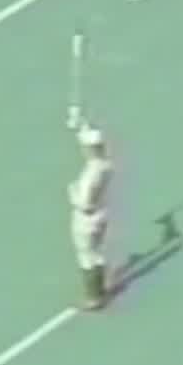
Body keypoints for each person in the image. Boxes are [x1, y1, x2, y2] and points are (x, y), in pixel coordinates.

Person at [65, 115, 114, 310]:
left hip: (87, 219)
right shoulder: (106, 164)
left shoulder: (91, 174)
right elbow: (90, 141)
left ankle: (94, 298)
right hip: (102, 214)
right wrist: (80, 124)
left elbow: (85, 203)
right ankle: (101, 290)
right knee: (97, 252)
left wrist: (72, 194)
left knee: (86, 255)